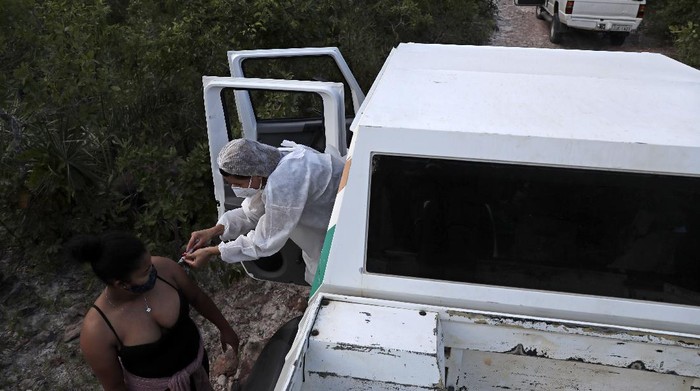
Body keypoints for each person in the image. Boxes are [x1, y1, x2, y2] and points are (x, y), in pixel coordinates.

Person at [67, 231, 239, 391]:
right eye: (146, 271)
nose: (154, 270)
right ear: (121, 283)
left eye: (150, 263)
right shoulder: (98, 329)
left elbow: (197, 298)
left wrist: (225, 328)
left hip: (197, 367)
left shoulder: (165, 269)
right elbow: (115, 386)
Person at [183, 138, 344, 285]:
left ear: (253, 175)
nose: (236, 189)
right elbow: (252, 213)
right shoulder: (273, 163)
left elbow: (263, 242)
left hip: (339, 233)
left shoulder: (285, 183)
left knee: (330, 282)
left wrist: (212, 251)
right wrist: (212, 232)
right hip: (328, 226)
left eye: (238, 183)